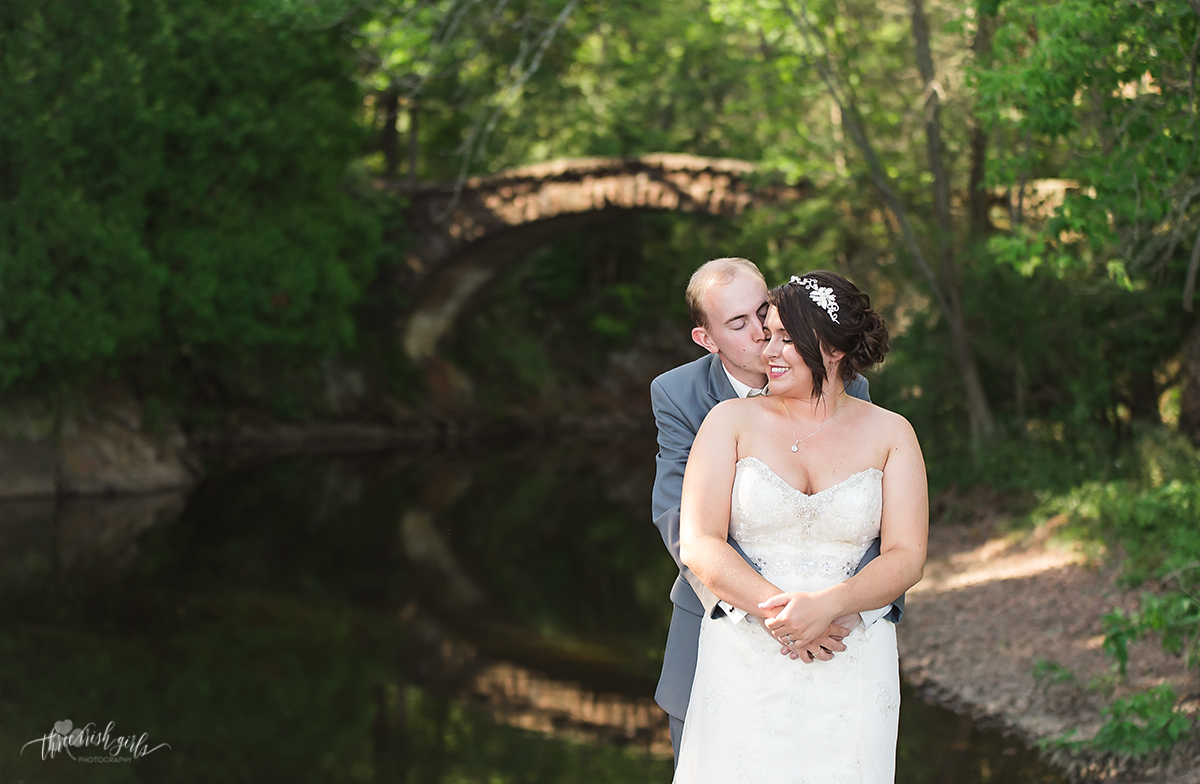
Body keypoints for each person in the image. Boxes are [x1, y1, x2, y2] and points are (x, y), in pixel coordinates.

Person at [671, 270, 928, 783]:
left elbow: (906, 555)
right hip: (747, 651)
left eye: (788, 340)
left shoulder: (892, 432)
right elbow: (700, 542)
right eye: (768, 335)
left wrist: (830, 606)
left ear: (833, 350)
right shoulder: (728, 422)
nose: (768, 350)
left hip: (850, 651)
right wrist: (784, 617)